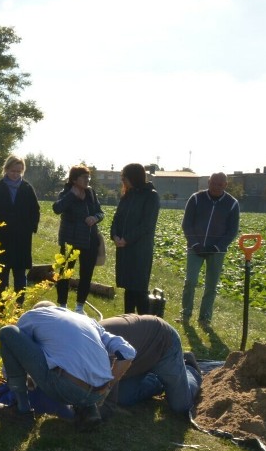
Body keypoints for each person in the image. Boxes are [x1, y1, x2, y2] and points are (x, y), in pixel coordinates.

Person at [0, 302, 136, 429]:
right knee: (76, 360)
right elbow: (128, 352)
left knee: (8, 332)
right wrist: (108, 387)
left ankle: (22, 411)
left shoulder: (33, 316)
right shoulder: (89, 322)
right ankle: (88, 411)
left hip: (66, 388)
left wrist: (15, 381)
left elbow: (15, 346)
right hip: (99, 394)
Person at [100, 314, 202, 415]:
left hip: (162, 343)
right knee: (123, 397)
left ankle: (189, 367)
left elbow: (107, 392)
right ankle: (157, 380)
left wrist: (101, 407)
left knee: (181, 405)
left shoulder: (99, 351)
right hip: (137, 356)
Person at [180, 172, 240, 325]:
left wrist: (216, 246)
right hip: (195, 248)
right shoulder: (196, 199)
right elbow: (187, 224)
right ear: (208, 182)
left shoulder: (232, 204)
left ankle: (205, 318)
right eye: (213, 183)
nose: (216, 187)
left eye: (220, 184)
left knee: (211, 286)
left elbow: (232, 231)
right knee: (190, 281)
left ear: (225, 185)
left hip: (216, 251)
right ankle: (186, 313)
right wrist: (195, 244)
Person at [0, 155, 40, 301]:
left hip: (22, 239)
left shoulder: (27, 188)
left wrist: (31, 228)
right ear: (6, 169)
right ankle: (1, 306)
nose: (15, 174)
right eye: (13, 171)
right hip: (2, 238)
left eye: (19, 172)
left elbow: (35, 210)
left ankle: (19, 305)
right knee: (2, 274)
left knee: (20, 274)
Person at [52, 165, 104, 314]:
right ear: (74, 179)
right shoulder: (66, 192)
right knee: (65, 273)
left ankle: (79, 307)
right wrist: (71, 196)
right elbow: (56, 209)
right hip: (70, 240)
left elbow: (100, 212)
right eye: (84, 177)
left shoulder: (91, 193)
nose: (87, 180)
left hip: (89, 241)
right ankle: (62, 305)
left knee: (86, 274)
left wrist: (95, 218)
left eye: (88, 177)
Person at [110, 163, 160, 314]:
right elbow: (117, 219)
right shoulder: (127, 195)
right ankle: (129, 320)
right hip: (124, 249)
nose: (122, 180)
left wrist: (127, 239)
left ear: (133, 177)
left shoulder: (150, 196)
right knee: (128, 287)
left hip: (140, 250)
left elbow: (147, 224)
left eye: (124, 177)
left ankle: (144, 323)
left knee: (139, 288)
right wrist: (115, 235)